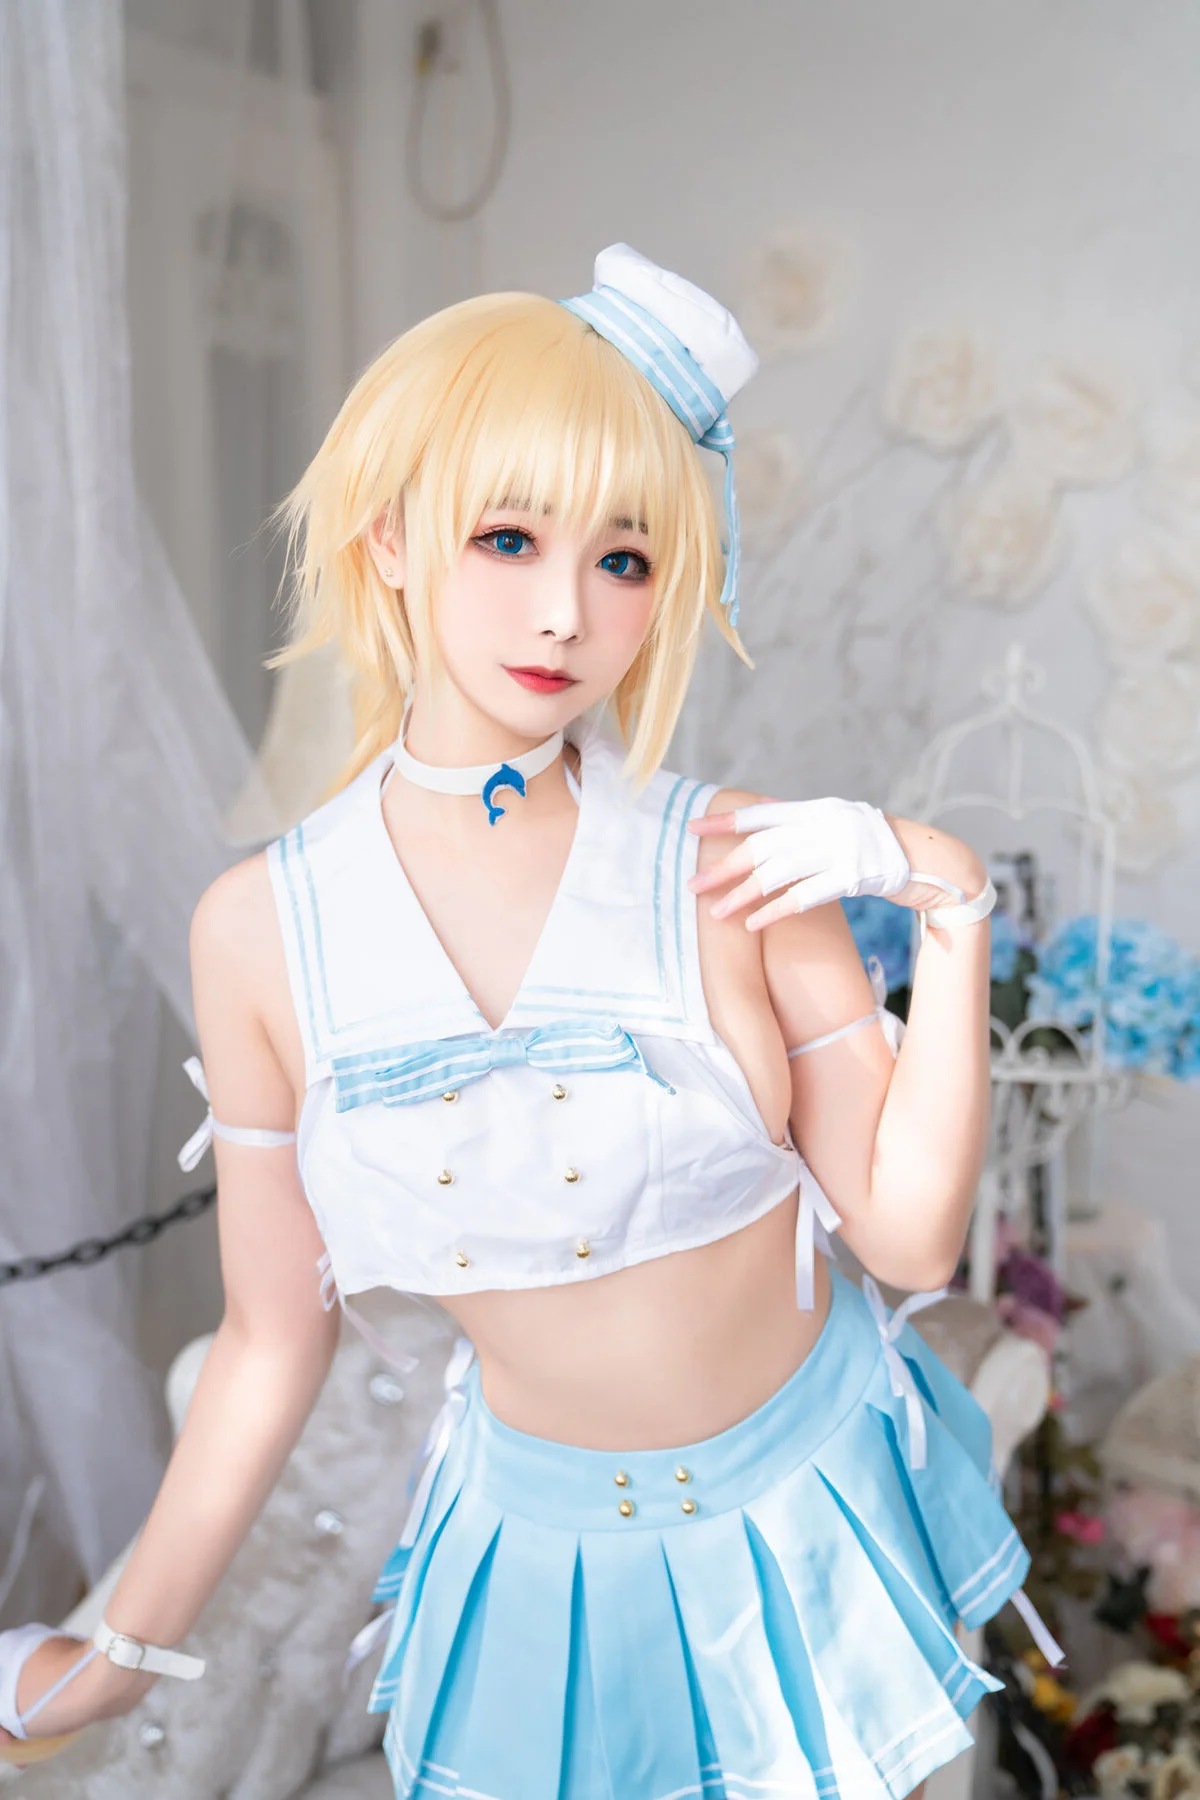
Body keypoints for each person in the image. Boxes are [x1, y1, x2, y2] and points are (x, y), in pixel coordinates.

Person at [0, 244, 1059, 1796]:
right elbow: (270, 1339)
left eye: (624, 559)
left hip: (807, 1511)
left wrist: (948, 898)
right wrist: (122, 1652)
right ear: (390, 539)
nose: (564, 612)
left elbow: (907, 1243)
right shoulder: (262, 929)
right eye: (507, 537)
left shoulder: (735, 859)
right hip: (530, 1561)